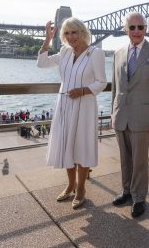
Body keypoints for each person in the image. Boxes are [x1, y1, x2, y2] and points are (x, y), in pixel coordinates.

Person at [37, 17, 107, 210]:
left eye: (74, 32)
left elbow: (102, 82)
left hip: (84, 105)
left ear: (82, 32)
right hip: (65, 104)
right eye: (66, 33)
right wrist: (47, 40)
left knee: (81, 146)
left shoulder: (96, 53)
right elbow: (42, 63)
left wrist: (83, 90)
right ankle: (70, 185)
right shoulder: (64, 52)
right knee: (67, 144)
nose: (71, 37)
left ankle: (81, 188)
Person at [111, 12, 149, 218]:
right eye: (132, 27)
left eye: (140, 27)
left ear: (146, 29)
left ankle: (139, 197)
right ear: (125, 29)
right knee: (125, 159)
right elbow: (115, 87)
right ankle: (126, 191)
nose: (136, 31)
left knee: (140, 161)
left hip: (144, 117)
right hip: (121, 116)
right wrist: (112, 112)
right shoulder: (117, 53)